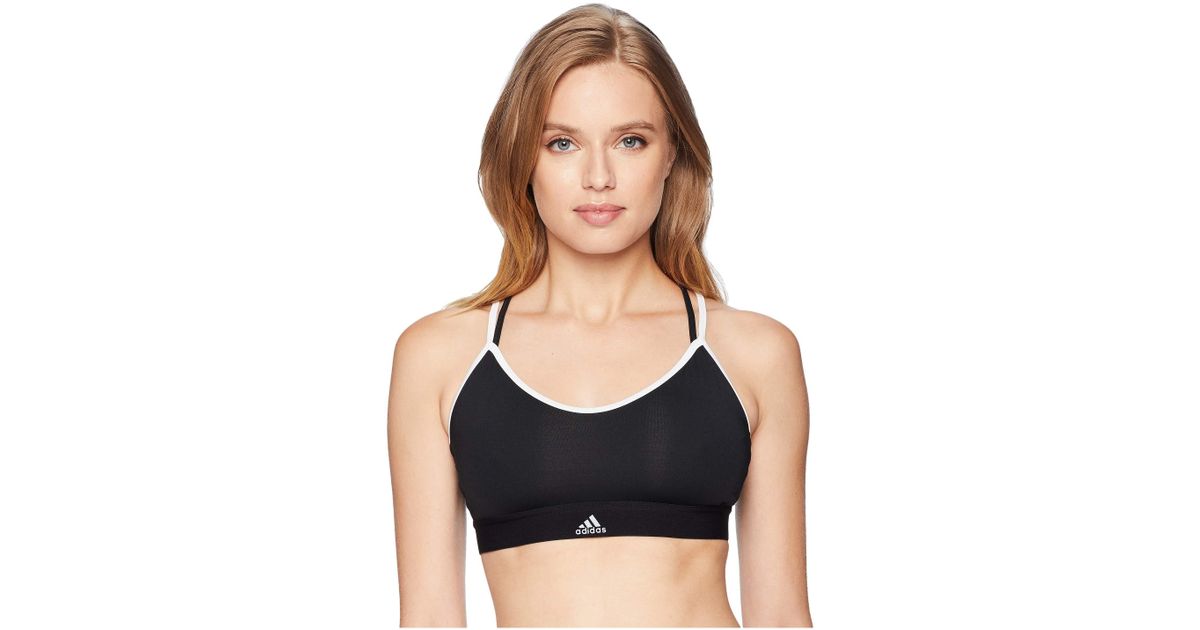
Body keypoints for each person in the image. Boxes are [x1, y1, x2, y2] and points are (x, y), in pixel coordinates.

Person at [388, 4, 810, 627]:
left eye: (630, 141)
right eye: (562, 143)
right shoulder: (441, 358)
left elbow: (781, 615)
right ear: (522, 157)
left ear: (672, 153)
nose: (598, 177)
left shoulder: (753, 354)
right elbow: (428, 618)